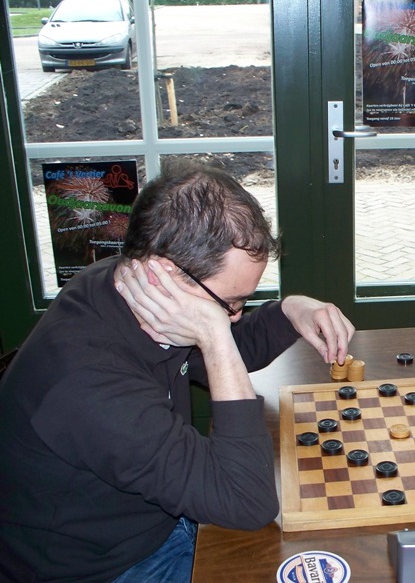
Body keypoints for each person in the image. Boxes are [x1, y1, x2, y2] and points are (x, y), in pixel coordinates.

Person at [0, 160, 355, 582]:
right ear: (164, 274)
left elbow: (229, 351)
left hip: (160, 515)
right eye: (230, 304)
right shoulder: (90, 386)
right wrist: (214, 335)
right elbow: (247, 501)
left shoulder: (130, 286)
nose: (236, 316)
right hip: (107, 564)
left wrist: (291, 310)